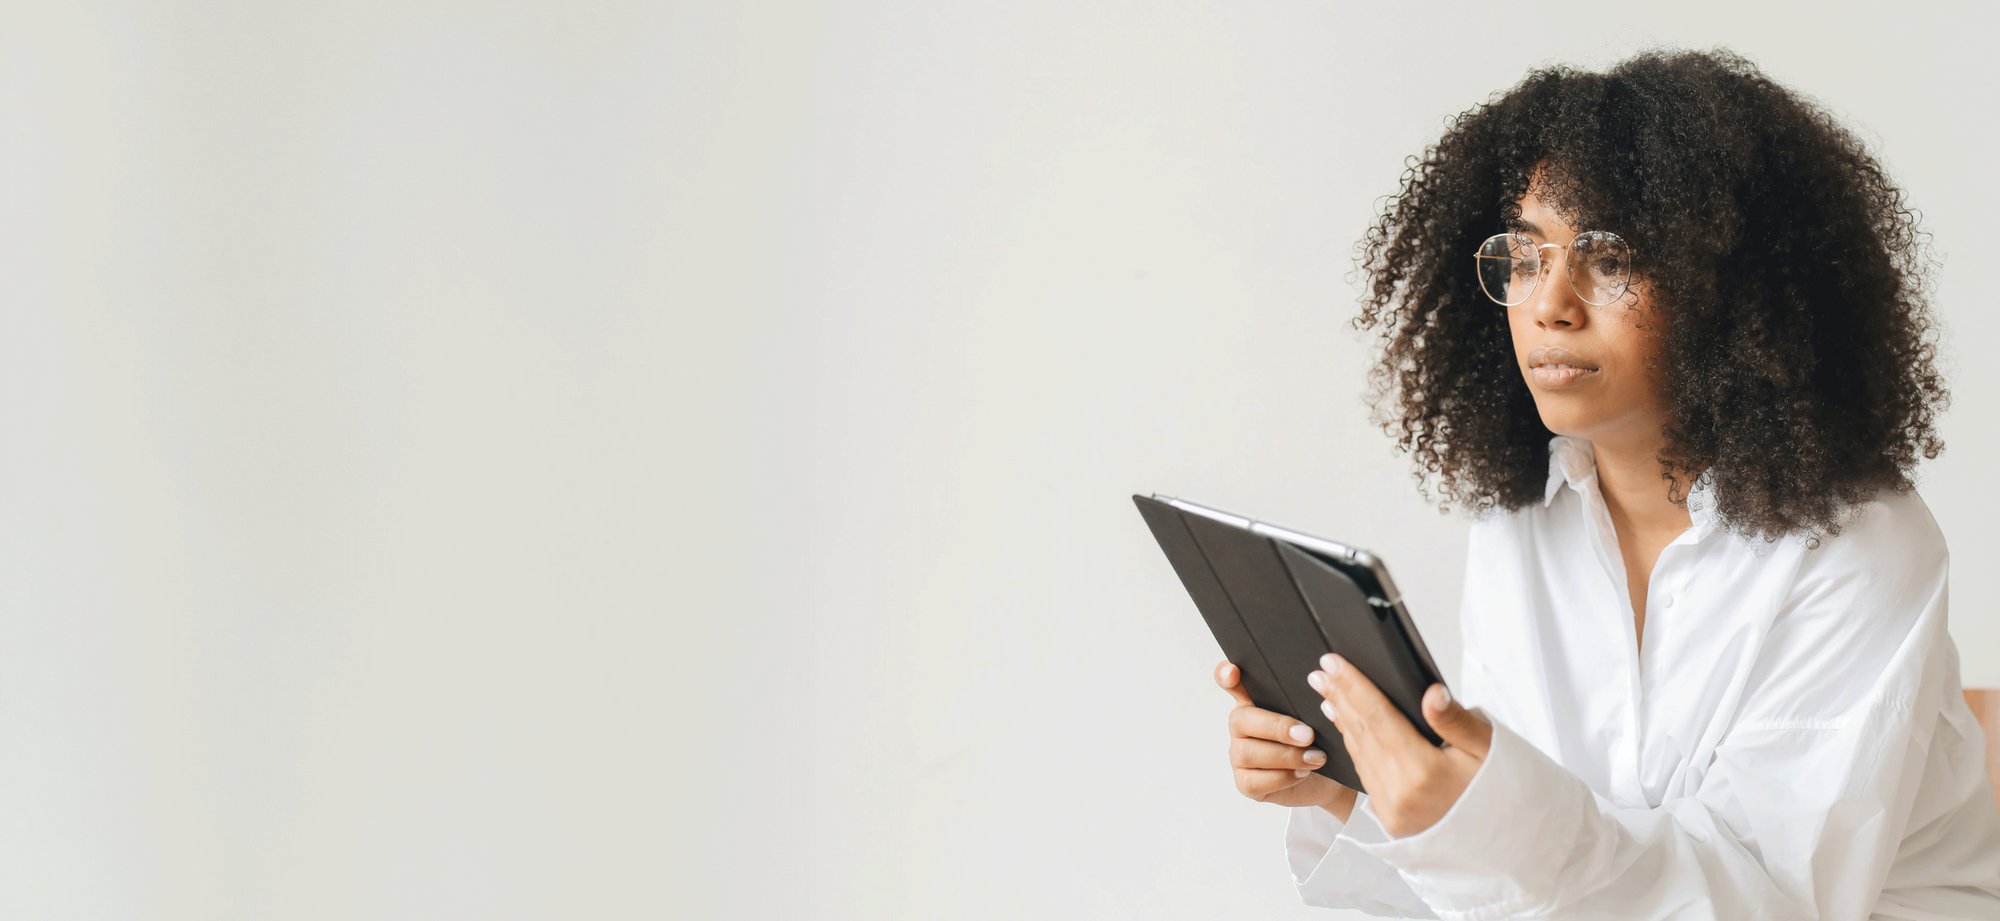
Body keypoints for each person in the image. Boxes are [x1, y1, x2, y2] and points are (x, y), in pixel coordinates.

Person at [1214, 49, 2000, 920]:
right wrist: (1359, 793)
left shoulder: (1861, 543)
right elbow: (1510, 896)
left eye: (1610, 257)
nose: (1550, 302)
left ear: (1728, 290)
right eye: (1524, 254)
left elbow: (1763, 900)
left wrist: (1485, 819)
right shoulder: (1519, 522)